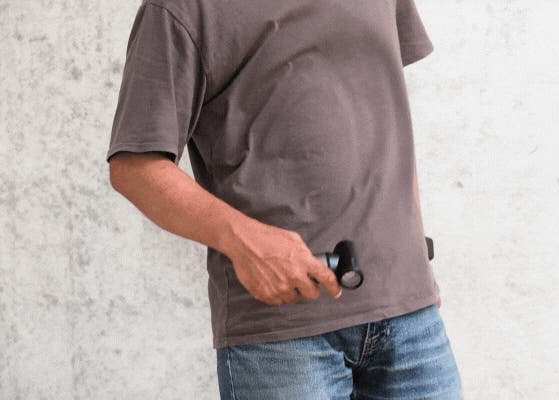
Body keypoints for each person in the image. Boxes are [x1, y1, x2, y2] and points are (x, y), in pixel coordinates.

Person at [106, 0, 463, 398]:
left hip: (410, 313)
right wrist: (245, 242)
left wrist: (417, 255)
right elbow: (134, 167)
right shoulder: (178, 8)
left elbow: (384, 104)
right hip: (282, 335)